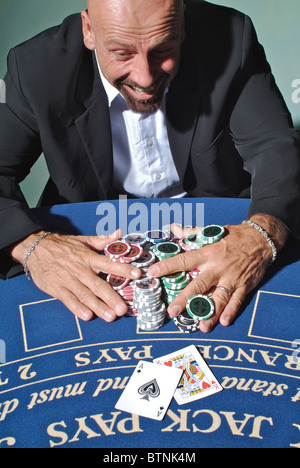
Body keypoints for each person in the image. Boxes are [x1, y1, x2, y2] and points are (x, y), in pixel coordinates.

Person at [0, 0, 299, 333]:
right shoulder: (35, 68)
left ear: (182, 25)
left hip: (215, 225)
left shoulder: (230, 36)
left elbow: (274, 147)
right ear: (89, 30)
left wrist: (262, 234)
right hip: (95, 230)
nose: (145, 77)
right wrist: (31, 246)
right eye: (122, 53)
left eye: (162, 49)